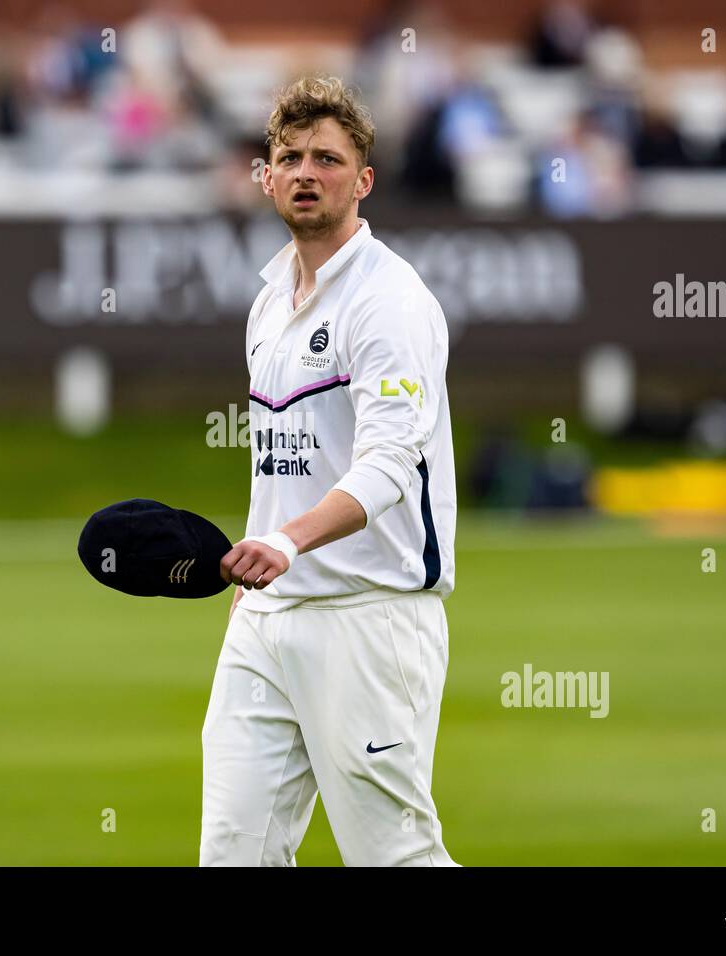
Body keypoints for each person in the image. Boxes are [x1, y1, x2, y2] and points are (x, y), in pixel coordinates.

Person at [201, 74, 458, 866]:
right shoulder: (268, 300)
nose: (306, 172)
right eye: (288, 157)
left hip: (370, 617)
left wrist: (286, 542)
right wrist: (270, 557)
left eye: (327, 158)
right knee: (233, 855)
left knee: (395, 859)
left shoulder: (390, 301)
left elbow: (387, 465)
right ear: (266, 176)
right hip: (266, 621)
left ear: (364, 180)